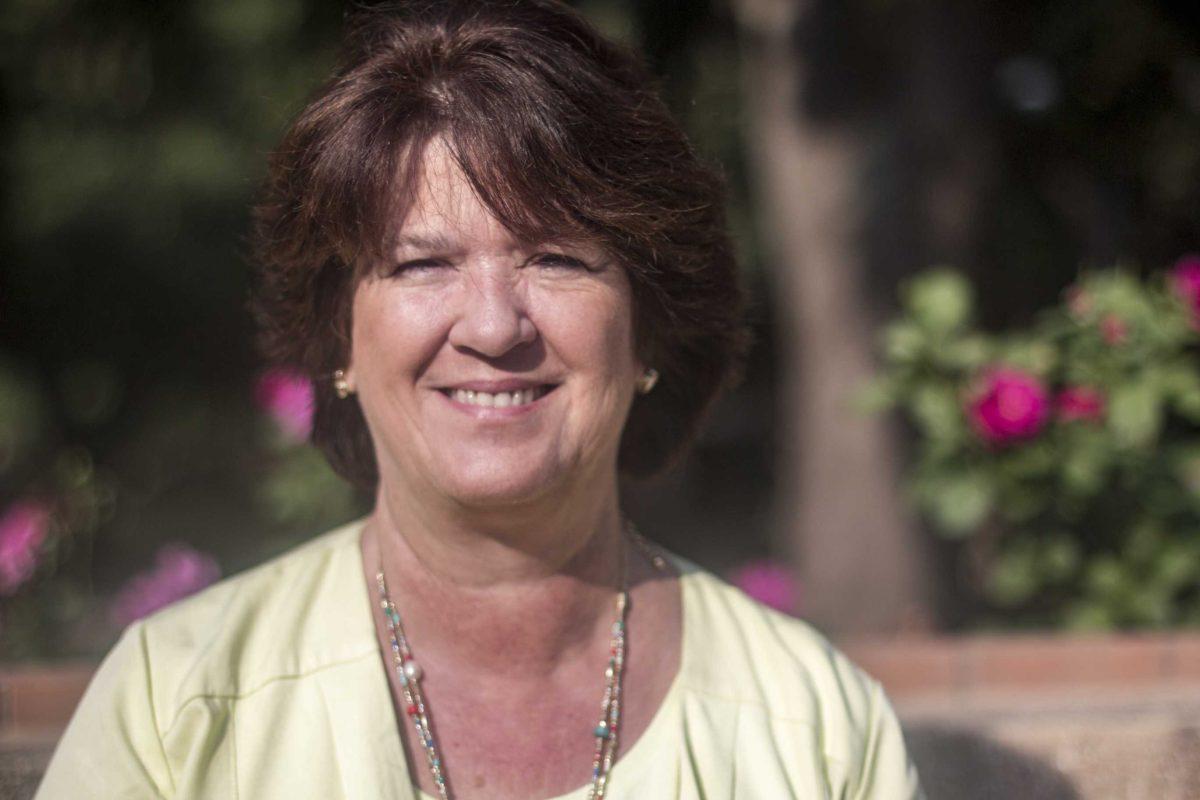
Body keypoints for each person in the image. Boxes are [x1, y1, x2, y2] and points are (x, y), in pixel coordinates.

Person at [35, 2, 924, 798]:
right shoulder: (178, 707)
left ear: (648, 326)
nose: (495, 327)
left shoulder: (812, 732)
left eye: (556, 258)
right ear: (338, 334)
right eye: (423, 263)